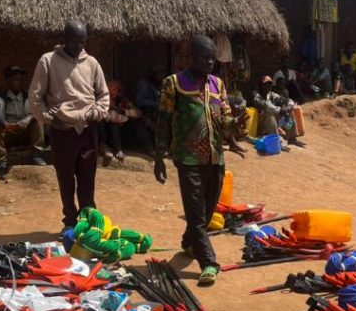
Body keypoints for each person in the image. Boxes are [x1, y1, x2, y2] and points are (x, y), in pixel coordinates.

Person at [154, 35, 244, 286]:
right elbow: (163, 120)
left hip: (215, 158)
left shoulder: (218, 84)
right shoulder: (174, 84)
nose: (211, 62)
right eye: (205, 57)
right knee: (195, 213)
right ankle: (209, 263)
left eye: (213, 57)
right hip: (188, 158)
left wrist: (234, 124)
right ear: (191, 57)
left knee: (205, 210)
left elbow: (224, 118)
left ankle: (188, 243)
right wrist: (159, 156)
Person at [29, 20, 109, 235]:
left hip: (88, 129)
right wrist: (49, 119)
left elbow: (103, 95)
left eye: (82, 42)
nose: (79, 47)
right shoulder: (48, 61)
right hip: (62, 129)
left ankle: (88, 220)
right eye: (74, 42)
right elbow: (35, 98)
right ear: (64, 39)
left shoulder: (92, 63)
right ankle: (70, 220)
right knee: (66, 179)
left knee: (87, 177)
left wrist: (97, 113)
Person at [0, 65, 45, 176]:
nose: (19, 82)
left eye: (20, 79)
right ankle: (1, 162)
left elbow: (39, 109)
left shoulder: (29, 96)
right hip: (8, 135)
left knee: (38, 119)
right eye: (15, 79)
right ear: (8, 82)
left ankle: (37, 155)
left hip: (26, 134)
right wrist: (6, 124)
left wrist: (29, 118)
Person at [100, 79, 153, 164]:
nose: (120, 92)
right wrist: (120, 114)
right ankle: (118, 150)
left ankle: (150, 149)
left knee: (138, 123)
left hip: (123, 131)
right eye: (118, 90)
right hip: (109, 134)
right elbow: (111, 117)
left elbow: (138, 113)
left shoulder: (124, 101)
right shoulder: (106, 102)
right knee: (114, 125)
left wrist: (125, 112)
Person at [251, 75, 302, 146]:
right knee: (269, 113)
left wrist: (288, 108)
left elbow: (288, 101)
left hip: (271, 124)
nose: (268, 87)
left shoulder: (271, 94)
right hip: (259, 127)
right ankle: (276, 141)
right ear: (261, 85)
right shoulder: (256, 95)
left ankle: (291, 138)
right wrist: (281, 110)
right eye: (266, 84)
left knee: (288, 112)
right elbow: (267, 106)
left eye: (270, 84)